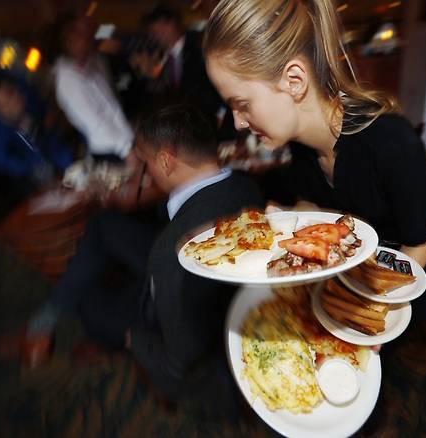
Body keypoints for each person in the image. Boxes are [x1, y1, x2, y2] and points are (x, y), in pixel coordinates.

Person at [203, 0, 426, 321]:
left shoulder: (391, 142)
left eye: (242, 104)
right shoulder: (301, 145)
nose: (237, 123)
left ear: (294, 80)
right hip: (350, 270)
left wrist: (373, 308)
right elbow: (317, 204)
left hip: (403, 272)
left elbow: (421, 241)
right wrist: (292, 222)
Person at [25, 105, 263, 404]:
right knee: (104, 224)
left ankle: (75, 328)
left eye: (145, 162)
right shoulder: (248, 184)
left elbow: (179, 363)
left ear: (165, 161)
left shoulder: (170, 256)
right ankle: (52, 313)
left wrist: (135, 341)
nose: (142, 171)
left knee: (89, 302)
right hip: (196, 263)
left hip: (187, 317)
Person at [128, 5, 232, 138]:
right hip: (184, 130)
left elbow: (216, 86)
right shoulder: (161, 59)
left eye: (156, 31)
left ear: (170, 24)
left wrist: (221, 116)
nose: (154, 36)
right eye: (152, 32)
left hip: (210, 124)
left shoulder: (199, 46)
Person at [54, 15, 134, 163]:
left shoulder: (94, 61)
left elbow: (112, 103)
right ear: (68, 41)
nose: (88, 38)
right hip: (112, 150)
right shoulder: (68, 79)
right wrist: (126, 149)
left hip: (126, 140)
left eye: (88, 32)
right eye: (82, 34)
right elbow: (95, 122)